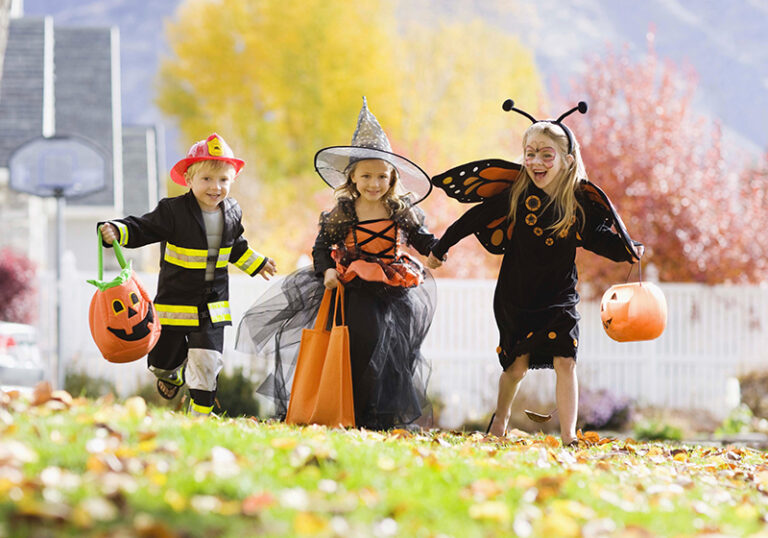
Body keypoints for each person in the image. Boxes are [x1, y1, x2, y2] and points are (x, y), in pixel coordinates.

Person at [426, 100, 643, 445]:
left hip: (559, 295)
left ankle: (570, 435)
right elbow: (473, 219)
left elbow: (599, 240)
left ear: (567, 160)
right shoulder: (515, 195)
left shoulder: (577, 203)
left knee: (566, 361)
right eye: (530, 153)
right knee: (516, 367)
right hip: (517, 295)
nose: (536, 162)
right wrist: (441, 247)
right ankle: (500, 423)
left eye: (546, 154)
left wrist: (630, 250)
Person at [236, 98, 439, 430]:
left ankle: (377, 418)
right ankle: (348, 409)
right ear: (353, 177)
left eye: (382, 177)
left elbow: (421, 237)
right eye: (367, 176)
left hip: (391, 289)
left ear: (392, 178)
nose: (375, 184)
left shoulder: (400, 210)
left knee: (390, 353)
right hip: (353, 288)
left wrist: (435, 250)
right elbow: (321, 248)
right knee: (358, 346)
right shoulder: (344, 212)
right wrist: (327, 270)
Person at [98, 133, 276, 416]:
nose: (215, 187)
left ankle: (201, 416)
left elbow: (236, 247)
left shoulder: (232, 212)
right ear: (189, 180)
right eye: (206, 179)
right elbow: (145, 227)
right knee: (161, 361)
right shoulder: (173, 211)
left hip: (212, 305)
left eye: (223, 180)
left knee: (208, 359)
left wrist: (259, 263)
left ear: (231, 182)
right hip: (175, 302)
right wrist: (118, 230)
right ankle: (170, 375)